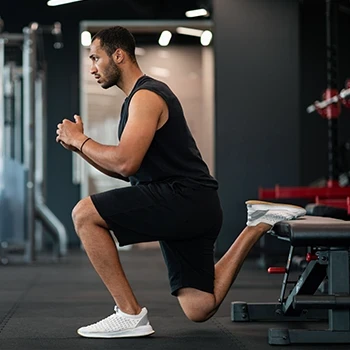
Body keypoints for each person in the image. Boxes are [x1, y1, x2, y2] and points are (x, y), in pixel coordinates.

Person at [56, 26, 306, 339]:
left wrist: (81, 140)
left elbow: (124, 161)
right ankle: (256, 225)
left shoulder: (146, 96)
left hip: (182, 198)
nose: (92, 67)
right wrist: (78, 147)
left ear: (118, 55)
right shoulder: (137, 99)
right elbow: (124, 171)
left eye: (96, 57)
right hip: (193, 203)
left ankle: (129, 314)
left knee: (84, 213)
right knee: (200, 307)